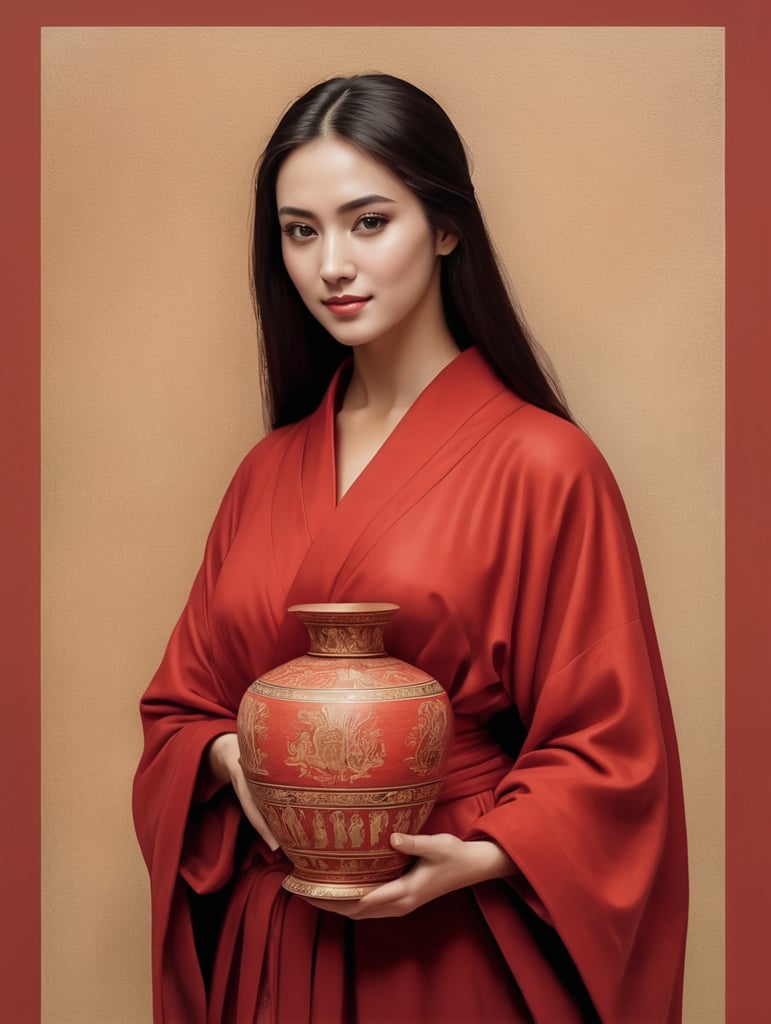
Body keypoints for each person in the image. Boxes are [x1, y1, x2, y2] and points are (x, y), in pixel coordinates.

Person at [133, 73, 688, 1023]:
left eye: (367, 221)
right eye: (300, 231)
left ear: (445, 226)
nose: (331, 265)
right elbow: (181, 706)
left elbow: (614, 750)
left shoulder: (546, 465)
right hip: (279, 947)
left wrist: (481, 855)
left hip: (453, 945)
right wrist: (230, 758)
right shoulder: (266, 472)